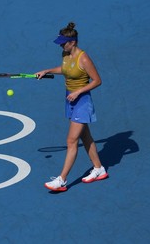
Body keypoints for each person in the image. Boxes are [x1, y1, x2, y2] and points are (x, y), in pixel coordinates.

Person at [35, 22, 108, 191]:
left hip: (82, 101)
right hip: (70, 99)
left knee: (71, 140)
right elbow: (66, 69)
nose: (61, 45)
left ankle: (62, 180)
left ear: (73, 42)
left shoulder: (83, 58)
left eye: (63, 42)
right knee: (85, 137)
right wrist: (47, 70)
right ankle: (99, 169)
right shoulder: (65, 54)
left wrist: (78, 92)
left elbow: (97, 80)